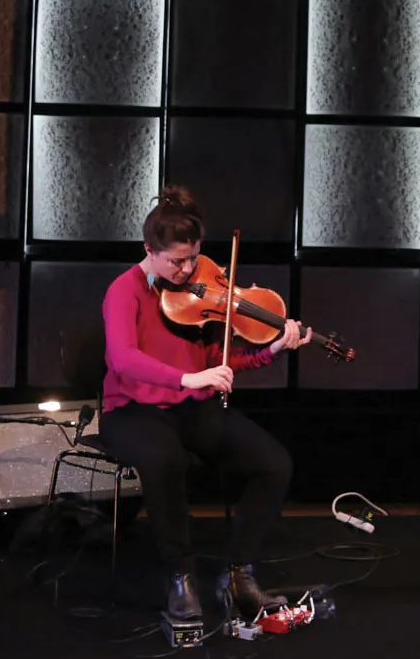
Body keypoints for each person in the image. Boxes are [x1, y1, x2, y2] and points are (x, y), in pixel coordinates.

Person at [97, 186, 313, 626]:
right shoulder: (124, 291)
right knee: (164, 460)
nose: (187, 270)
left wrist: (270, 351)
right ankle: (180, 577)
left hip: (190, 406)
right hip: (132, 410)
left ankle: (240, 573)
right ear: (149, 251)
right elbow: (124, 359)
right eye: (176, 260)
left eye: (193, 257)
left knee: (274, 463)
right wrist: (186, 377)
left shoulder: (199, 291)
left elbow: (218, 360)